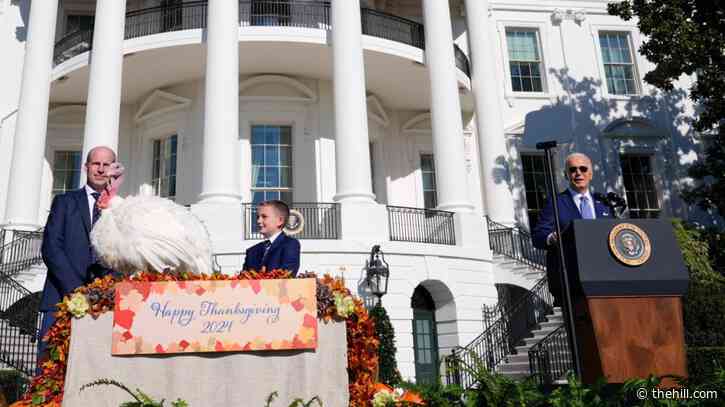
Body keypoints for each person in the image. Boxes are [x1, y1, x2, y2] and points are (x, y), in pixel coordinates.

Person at [38, 146, 122, 358]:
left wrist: (104, 293)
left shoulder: (121, 209)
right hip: (62, 297)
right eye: (96, 164)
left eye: (107, 165)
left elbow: (124, 255)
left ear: (114, 169)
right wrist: (78, 291)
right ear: (86, 167)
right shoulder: (65, 202)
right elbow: (51, 248)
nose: (101, 169)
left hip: (105, 303)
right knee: (51, 371)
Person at [532, 153, 612, 306]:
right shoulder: (556, 203)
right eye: (573, 169)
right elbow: (538, 235)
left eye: (583, 169)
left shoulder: (604, 203)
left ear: (590, 173)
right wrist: (552, 238)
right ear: (566, 175)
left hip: (605, 279)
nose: (578, 173)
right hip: (572, 282)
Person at [242, 200, 301, 276]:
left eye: (264, 216)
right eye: (257, 217)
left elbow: (286, 275)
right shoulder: (252, 251)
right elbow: (243, 280)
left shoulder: (290, 245)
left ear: (280, 220)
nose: (258, 221)